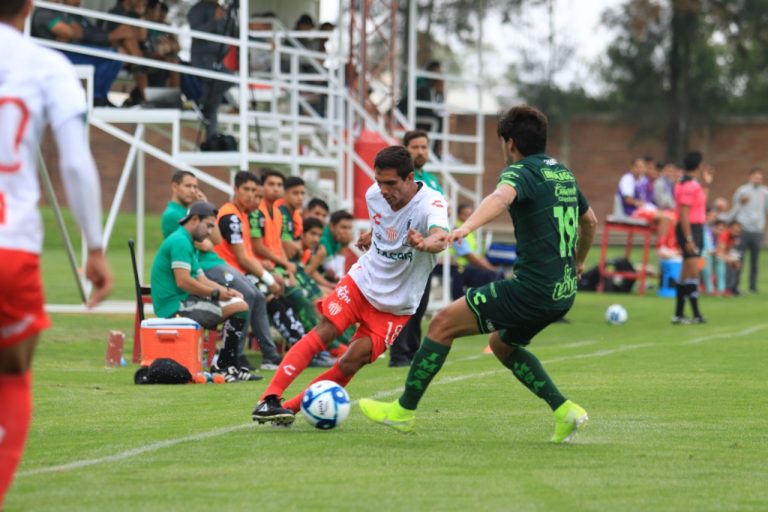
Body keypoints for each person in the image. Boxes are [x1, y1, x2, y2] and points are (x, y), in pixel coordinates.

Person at [359, 106, 598, 444]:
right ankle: (564, 411)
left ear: (509, 143)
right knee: (502, 344)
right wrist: (579, 262)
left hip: (533, 289)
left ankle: (403, 411)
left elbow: (501, 197)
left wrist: (465, 227)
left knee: (442, 324)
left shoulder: (520, 172)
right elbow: (590, 222)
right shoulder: (563, 174)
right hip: (563, 292)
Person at [1, 0, 113, 504]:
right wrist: (94, 246)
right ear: (29, 6)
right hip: (11, 245)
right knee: (13, 372)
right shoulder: (46, 65)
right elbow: (75, 162)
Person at [251, 145, 450, 425]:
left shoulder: (431, 202)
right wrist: (374, 235)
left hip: (397, 305)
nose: (383, 190)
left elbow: (441, 236)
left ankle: (290, 409)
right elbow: (387, 225)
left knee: (350, 361)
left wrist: (425, 243)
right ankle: (269, 399)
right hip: (362, 281)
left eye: (391, 183)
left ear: (409, 178)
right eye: (379, 181)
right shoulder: (374, 194)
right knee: (326, 329)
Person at [159, 171, 278, 372]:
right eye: (188, 186)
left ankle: (270, 355)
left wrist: (206, 205)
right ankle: (235, 356)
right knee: (247, 295)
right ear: (174, 187)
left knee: (256, 295)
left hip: (213, 263)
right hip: (205, 266)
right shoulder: (172, 215)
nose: (193, 191)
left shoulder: (194, 210)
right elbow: (203, 246)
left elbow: (214, 240)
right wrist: (203, 241)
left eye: (196, 187)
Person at [388, 129, 444, 367]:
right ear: (405, 150)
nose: (420, 151)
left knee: (420, 305)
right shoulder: (399, 180)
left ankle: (411, 352)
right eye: (415, 147)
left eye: (424, 147)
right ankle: (398, 354)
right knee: (404, 304)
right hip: (404, 251)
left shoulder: (432, 181)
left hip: (425, 252)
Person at [188, 0, 232, 144]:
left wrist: (263, 41)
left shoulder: (221, 9)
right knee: (223, 83)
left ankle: (211, 138)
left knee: (213, 99)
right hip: (201, 61)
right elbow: (196, 33)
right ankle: (210, 135)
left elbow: (236, 33)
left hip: (218, 62)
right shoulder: (196, 9)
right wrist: (214, 20)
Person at [672, 151, 708, 324]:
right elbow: (684, 214)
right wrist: (688, 238)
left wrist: (707, 184)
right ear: (699, 165)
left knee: (686, 272)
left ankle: (679, 315)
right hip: (690, 229)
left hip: (695, 228)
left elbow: (699, 206)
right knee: (693, 271)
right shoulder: (689, 185)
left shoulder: (691, 183)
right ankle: (696, 314)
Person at [447, 204, 504, 299]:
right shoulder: (457, 231)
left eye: (470, 215)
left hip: (468, 267)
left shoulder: (470, 233)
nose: (468, 217)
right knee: (490, 276)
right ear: (458, 216)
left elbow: (479, 256)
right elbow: (470, 257)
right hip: (459, 268)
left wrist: (491, 268)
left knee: (497, 274)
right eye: (465, 214)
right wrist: (490, 269)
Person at [730, 167, 767, 294]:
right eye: (756, 176)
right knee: (738, 257)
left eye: (760, 177)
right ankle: (735, 285)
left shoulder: (765, 192)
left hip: (757, 229)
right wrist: (741, 202)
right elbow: (735, 206)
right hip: (744, 228)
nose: (758, 179)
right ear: (750, 177)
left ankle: (753, 286)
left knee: (755, 260)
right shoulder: (743, 190)